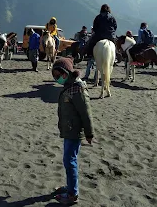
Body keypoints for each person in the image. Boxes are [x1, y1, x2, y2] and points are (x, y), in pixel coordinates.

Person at [51, 57, 94, 205]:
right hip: (69, 130)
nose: (57, 79)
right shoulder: (69, 86)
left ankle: (72, 193)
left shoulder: (78, 89)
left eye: (59, 76)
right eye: (55, 76)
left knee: (70, 161)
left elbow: (86, 113)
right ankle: (70, 186)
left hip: (74, 132)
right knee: (68, 160)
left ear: (67, 73)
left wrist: (89, 133)